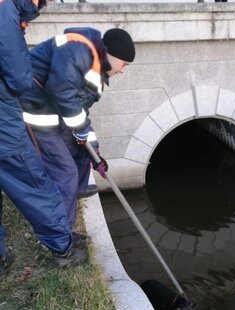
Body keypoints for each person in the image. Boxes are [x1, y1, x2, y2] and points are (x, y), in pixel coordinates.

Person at [0, 0, 87, 276]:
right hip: (3, 121)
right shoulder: (4, 10)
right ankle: (64, 249)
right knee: (35, 183)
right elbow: (19, 77)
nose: (44, 6)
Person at [21, 27, 135, 230]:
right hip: (37, 114)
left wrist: (95, 152)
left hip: (55, 113)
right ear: (111, 55)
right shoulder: (78, 52)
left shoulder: (95, 67)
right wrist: (80, 129)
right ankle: (63, 235)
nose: (123, 70)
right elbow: (61, 91)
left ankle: (78, 189)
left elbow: (81, 113)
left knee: (83, 151)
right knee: (66, 173)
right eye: (124, 64)